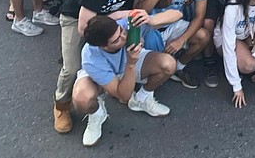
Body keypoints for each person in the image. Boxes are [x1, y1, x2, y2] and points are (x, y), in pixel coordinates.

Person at [53, 0, 151, 134]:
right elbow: (85, 29)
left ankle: (114, 86)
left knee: (125, 50)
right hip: (78, 19)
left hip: (112, 17)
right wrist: (116, 16)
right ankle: (61, 105)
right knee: (71, 67)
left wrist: (125, 24)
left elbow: (137, 0)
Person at [72, 14, 177, 146]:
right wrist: (131, 64)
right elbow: (123, 95)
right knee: (82, 99)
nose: (124, 37)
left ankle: (142, 98)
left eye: (121, 31)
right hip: (110, 71)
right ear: (103, 46)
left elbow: (177, 15)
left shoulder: (124, 25)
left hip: (129, 61)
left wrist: (151, 20)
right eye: (116, 40)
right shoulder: (91, 58)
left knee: (168, 64)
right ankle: (97, 115)